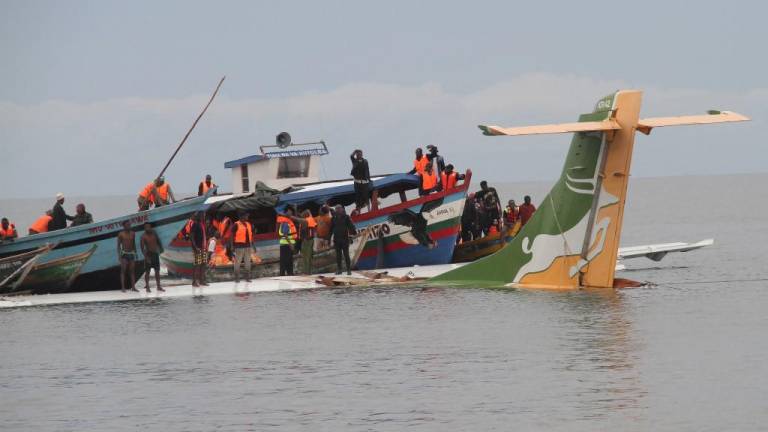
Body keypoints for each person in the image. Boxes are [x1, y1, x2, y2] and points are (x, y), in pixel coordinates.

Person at [330, 205, 357, 275]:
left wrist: (354, 232)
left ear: (342, 209)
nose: (338, 210)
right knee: (338, 255)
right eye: (336, 209)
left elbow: (351, 226)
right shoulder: (333, 218)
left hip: (345, 239)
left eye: (339, 209)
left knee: (346, 255)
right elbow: (331, 229)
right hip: (336, 239)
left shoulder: (346, 217)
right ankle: (339, 270)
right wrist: (328, 239)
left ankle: (348, 270)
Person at [140, 222, 165, 293]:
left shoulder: (154, 233)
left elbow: (158, 240)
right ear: (144, 228)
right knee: (147, 272)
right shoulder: (143, 236)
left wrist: (161, 248)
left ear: (151, 227)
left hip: (155, 254)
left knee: (157, 271)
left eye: (148, 226)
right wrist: (146, 257)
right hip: (148, 254)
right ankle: (147, 287)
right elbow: (142, 249)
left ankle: (159, 286)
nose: (147, 228)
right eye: (146, 227)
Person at [230, 212, 255, 282]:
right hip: (239, 246)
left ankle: (247, 278)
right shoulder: (236, 224)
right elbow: (231, 235)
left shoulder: (248, 224)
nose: (247, 217)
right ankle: (237, 278)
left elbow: (251, 235)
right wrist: (232, 246)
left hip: (248, 246)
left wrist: (253, 245)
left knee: (248, 262)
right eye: (246, 216)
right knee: (237, 262)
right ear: (242, 216)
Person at [117, 220, 138, 292]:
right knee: (123, 271)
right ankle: (123, 287)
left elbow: (134, 244)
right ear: (124, 226)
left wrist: (136, 253)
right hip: (124, 254)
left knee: (132, 271)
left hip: (131, 253)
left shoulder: (133, 233)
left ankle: (133, 287)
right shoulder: (121, 234)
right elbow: (118, 245)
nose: (129, 226)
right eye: (127, 225)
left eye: (129, 224)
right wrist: (119, 256)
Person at [276, 208, 298, 276]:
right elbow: (285, 234)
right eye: (289, 212)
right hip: (286, 244)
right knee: (285, 261)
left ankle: (290, 274)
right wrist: (290, 244)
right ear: (286, 213)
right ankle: (283, 275)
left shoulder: (287, 221)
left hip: (286, 244)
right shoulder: (285, 222)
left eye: (291, 212)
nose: (291, 213)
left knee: (288, 261)